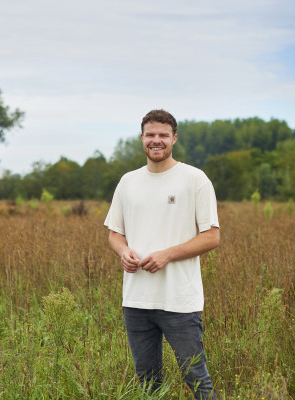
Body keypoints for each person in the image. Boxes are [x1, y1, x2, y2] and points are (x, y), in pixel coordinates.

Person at [104, 109, 220, 399]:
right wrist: (123, 251)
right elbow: (114, 233)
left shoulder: (195, 179)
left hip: (179, 300)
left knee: (197, 379)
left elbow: (212, 236)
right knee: (147, 383)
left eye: (163, 135)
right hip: (136, 300)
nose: (156, 140)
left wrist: (168, 254)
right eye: (151, 135)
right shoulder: (128, 182)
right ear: (141, 137)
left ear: (174, 139)